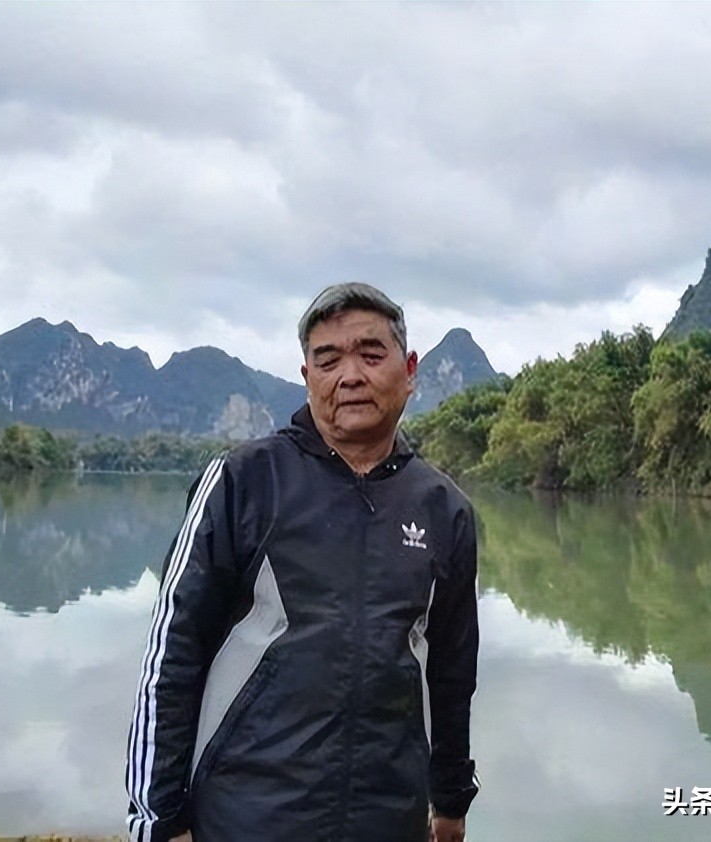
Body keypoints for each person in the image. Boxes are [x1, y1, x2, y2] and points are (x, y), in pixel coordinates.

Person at [125, 283, 479, 842]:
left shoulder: (444, 509)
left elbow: (453, 674)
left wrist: (452, 799)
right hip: (247, 817)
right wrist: (159, 820)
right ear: (307, 375)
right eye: (328, 360)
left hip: (389, 818)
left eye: (371, 354)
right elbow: (172, 655)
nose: (350, 376)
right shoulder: (243, 482)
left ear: (409, 370)